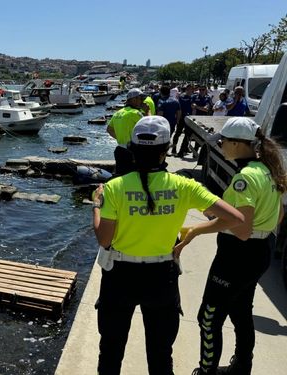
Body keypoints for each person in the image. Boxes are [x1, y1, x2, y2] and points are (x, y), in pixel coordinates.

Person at [92, 116, 243, 375]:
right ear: (165, 151)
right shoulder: (183, 186)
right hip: (161, 277)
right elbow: (235, 218)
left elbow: (104, 239)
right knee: (161, 355)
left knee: (111, 350)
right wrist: (196, 230)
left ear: (133, 150)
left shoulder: (114, 188)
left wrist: (97, 205)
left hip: (119, 277)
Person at [175, 117, 286, 375]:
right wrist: (226, 219)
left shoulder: (244, 179)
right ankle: (242, 366)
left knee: (209, 317)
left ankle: (206, 370)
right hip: (261, 251)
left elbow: (242, 229)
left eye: (223, 141)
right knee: (241, 311)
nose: (220, 145)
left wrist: (195, 231)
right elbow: (278, 215)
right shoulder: (267, 170)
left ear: (237, 144)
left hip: (237, 256)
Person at [106, 88, 145, 175]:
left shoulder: (118, 113)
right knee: (134, 176)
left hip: (120, 149)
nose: (142, 101)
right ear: (134, 99)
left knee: (121, 175)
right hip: (132, 151)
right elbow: (149, 127)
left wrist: (120, 137)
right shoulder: (135, 113)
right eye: (140, 99)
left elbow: (109, 129)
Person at [156, 85, 181, 153]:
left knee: (162, 138)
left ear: (161, 92)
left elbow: (160, 114)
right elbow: (179, 112)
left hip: (163, 124)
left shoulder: (161, 101)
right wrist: (177, 121)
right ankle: (166, 150)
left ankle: (163, 151)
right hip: (172, 122)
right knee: (169, 137)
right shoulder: (175, 101)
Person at [174, 84, 194, 157]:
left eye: (191, 89)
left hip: (190, 119)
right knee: (178, 133)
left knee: (187, 135)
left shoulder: (193, 97)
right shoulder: (182, 97)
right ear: (186, 89)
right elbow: (178, 108)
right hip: (182, 117)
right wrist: (177, 118)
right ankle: (174, 148)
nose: (189, 90)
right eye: (188, 89)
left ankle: (182, 151)